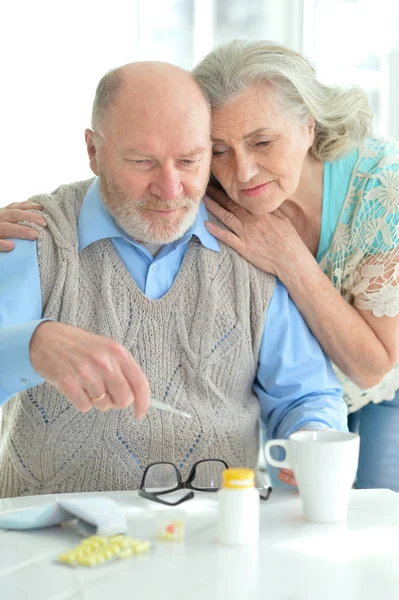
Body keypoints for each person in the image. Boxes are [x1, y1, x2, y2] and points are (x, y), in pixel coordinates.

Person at [0, 61, 347, 498]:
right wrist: (32, 346)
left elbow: (306, 395)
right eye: (142, 161)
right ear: (93, 151)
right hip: (51, 542)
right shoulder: (33, 236)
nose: (170, 189)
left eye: (189, 160)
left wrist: (309, 438)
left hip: (215, 535)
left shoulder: (250, 244)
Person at [191, 40, 399, 490]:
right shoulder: (215, 185)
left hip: (385, 392)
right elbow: (138, 174)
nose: (242, 172)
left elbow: (373, 365)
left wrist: (288, 256)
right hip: (292, 396)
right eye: (219, 149)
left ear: (309, 125)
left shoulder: (385, 190)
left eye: (262, 142)